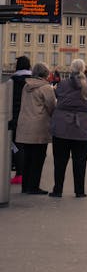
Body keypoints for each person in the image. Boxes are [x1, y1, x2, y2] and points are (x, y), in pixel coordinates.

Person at [49, 59, 87, 198]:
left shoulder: (62, 84)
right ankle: (79, 191)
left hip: (62, 127)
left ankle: (58, 190)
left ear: (71, 70)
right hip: (82, 128)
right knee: (80, 161)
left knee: (60, 161)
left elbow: (55, 97)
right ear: (84, 70)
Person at [16, 62, 56, 195]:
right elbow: (51, 107)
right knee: (38, 158)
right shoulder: (46, 88)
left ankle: (25, 186)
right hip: (39, 128)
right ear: (45, 74)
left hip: (25, 126)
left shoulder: (26, 86)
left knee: (27, 158)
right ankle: (33, 187)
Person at [8, 56, 32, 186]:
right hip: (31, 117)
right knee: (29, 146)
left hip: (15, 117)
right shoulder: (33, 80)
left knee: (17, 146)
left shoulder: (12, 81)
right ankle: (29, 174)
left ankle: (19, 173)